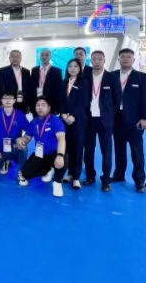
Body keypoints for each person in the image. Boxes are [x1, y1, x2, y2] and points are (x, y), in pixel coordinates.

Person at [112, 49, 146, 193]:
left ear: (133, 60)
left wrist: (145, 117)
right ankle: (119, 174)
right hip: (116, 119)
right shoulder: (112, 75)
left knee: (136, 151)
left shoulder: (141, 77)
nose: (125, 59)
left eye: (128, 57)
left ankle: (139, 180)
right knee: (119, 149)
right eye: (122, 57)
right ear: (119, 59)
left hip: (135, 120)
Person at [83, 50, 121, 192]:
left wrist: (109, 114)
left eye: (100, 59)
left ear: (104, 60)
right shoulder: (85, 77)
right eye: (94, 59)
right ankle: (90, 176)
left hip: (105, 120)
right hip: (88, 119)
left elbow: (117, 98)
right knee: (89, 150)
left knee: (106, 150)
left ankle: (106, 179)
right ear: (91, 61)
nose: (97, 61)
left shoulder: (112, 78)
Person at [18, 97, 67, 197]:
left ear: (49, 108)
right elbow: (27, 137)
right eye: (38, 105)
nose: (40, 107)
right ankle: (48, 169)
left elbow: (61, 139)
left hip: (53, 153)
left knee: (64, 159)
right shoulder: (34, 122)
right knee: (26, 173)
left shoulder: (55, 121)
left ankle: (57, 182)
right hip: (40, 154)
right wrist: (21, 140)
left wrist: (60, 155)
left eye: (43, 105)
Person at [0, 92, 30, 185]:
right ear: (1, 100)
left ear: (14, 100)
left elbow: (29, 131)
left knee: (24, 146)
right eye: (5, 98)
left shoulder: (19, 114)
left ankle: (21, 172)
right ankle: (4, 161)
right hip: (0, 150)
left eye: (10, 98)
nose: (8, 100)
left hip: (14, 148)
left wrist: (22, 139)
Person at [60, 58, 88, 190]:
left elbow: (84, 102)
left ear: (80, 69)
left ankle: (76, 177)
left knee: (77, 147)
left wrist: (73, 116)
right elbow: (59, 101)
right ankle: (70, 173)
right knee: (67, 147)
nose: (72, 68)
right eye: (70, 66)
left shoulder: (84, 82)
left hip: (78, 120)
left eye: (76, 66)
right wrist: (63, 114)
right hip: (64, 119)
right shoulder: (63, 82)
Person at [31, 49, 62, 115]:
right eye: (42, 55)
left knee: (49, 121)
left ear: (51, 56)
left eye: (47, 55)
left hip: (51, 104)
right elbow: (31, 87)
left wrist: (58, 107)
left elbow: (59, 90)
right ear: (40, 57)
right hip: (36, 103)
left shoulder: (57, 71)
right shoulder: (34, 70)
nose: (44, 57)